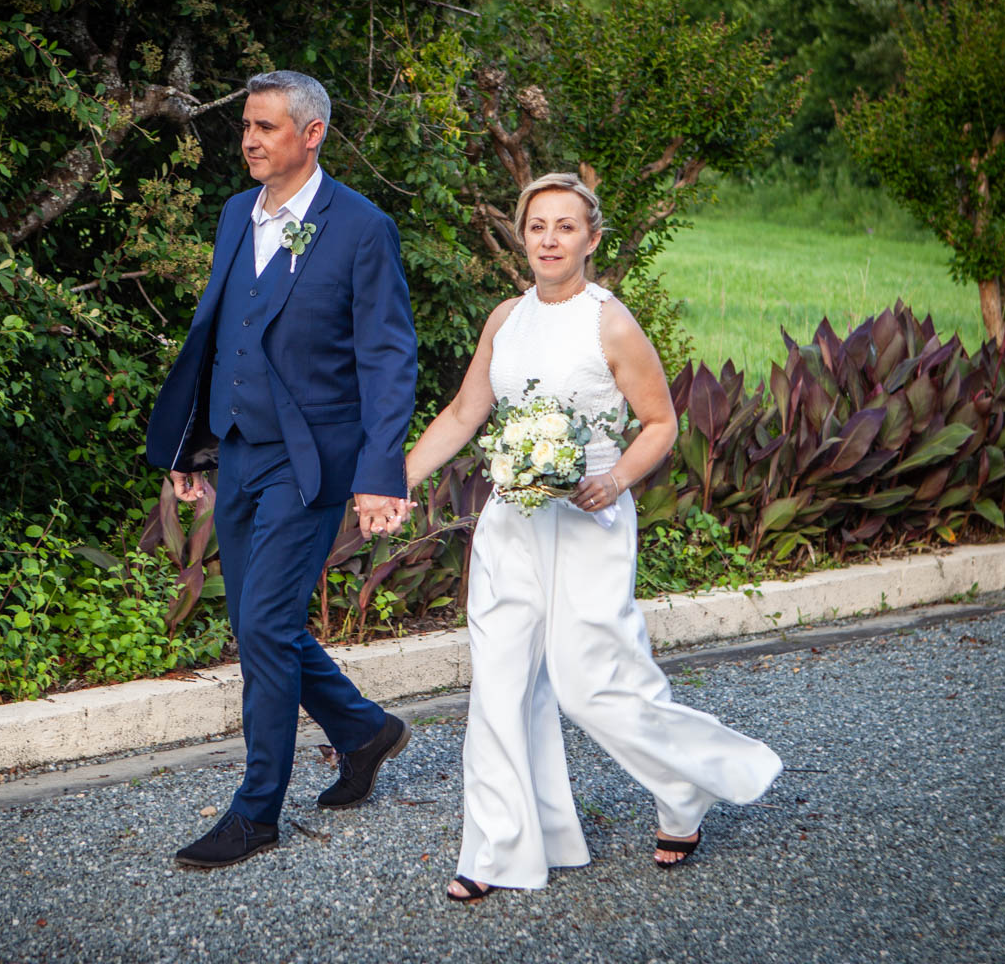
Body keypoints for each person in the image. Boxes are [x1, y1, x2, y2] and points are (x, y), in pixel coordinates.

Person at [403, 173, 782, 900]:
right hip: (513, 521)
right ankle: (499, 849)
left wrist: (614, 481)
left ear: (591, 239)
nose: (549, 239)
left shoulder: (609, 322)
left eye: (565, 227)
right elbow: (463, 414)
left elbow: (661, 422)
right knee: (501, 681)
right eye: (537, 226)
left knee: (591, 684)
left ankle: (685, 786)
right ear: (522, 236)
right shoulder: (505, 318)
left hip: (588, 518)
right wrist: (399, 481)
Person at [144, 71, 418, 869]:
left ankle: (255, 812)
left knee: (264, 625)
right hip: (238, 451)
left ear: (312, 134)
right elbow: (219, 336)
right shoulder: (238, 213)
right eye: (246, 127)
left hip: (311, 460)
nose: (249, 140)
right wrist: (193, 447)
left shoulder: (361, 227)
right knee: (259, 624)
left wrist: (380, 471)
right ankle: (364, 730)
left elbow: (389, 357)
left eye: (265, 127)